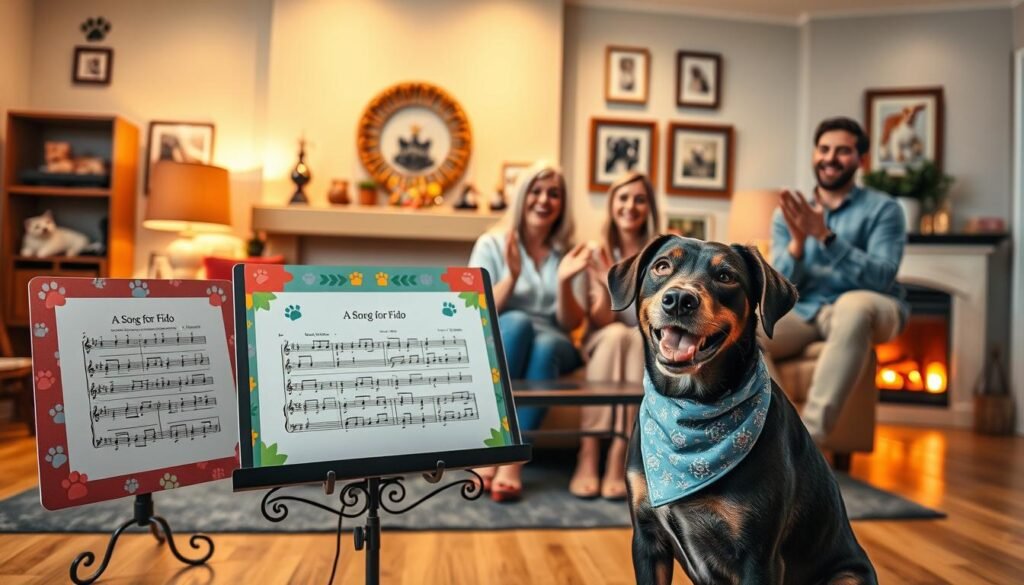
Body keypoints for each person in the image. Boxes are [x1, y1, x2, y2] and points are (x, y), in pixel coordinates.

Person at [765, 117, 907, 443]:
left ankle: (810, 439)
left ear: (861, 160)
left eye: (842, 151)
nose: (830, 158)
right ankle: (783, 435)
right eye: (824, 149)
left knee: (852, 305)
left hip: (873, 308)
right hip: (807, 310)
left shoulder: (884, 209)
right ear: (815, 154)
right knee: (747, 330)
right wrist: (798, 243)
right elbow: (780, 288)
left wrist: (826, 237)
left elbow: (882, 277)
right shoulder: (789, 212)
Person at [468, 162, 590, 502]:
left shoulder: (567, 253)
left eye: (554, 194)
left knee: (547, 343)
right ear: (522, 197)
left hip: (555, 340)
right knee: (520, 324)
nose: (544, 200)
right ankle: (494, 446)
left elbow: (570, 324)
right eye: (536, 191)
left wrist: (565, 281)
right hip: (505, 332)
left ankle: (512, 459)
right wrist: (513, 277)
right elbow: (477, 310)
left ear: (562, 204)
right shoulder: (491, 243)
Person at [570, 172, 660, 500]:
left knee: (634, 336)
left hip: (640, 340)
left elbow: (653, 319)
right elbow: (600, 319)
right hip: (601, 339)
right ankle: (589, 453)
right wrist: (610, 282)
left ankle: (619, 457)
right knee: (614, 334)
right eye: (623, 198)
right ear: (611, 205)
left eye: (639, 199)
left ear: (648, 206)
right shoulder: (596, 251)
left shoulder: (660, 255)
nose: (630, 206)